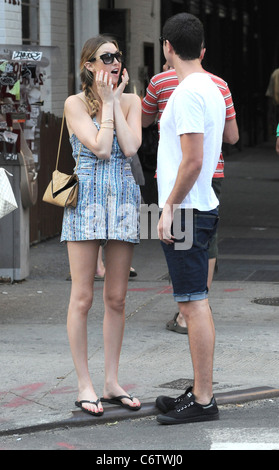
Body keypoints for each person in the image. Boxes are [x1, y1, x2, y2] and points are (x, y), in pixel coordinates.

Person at [61, 35, 142, 416]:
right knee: (83, 296)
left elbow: (129, 148)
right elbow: (101, 146)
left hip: (123, 200)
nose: (113, 62)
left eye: (116, 56)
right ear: (89, 65)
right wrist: (107, 106)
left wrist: (115, 102)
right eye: (104, 57)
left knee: (117, 298)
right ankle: (84, 384)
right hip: (86, 201)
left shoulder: (131, 101)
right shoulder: (74, 104)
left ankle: (111, 381)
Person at [155, 13, 226, 425]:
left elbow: (194, 159)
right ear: (201, 49)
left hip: (187, 211)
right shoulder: (211, 87)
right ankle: (199, 391)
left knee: (193, 304)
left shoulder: (185, 94)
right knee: (194, 299)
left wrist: (168, 208)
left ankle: (203, 400)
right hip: (199, 207)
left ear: (167, 46)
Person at [142, 61, 238, 334]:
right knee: (208, 243)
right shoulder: (219, 85)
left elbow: (143, 120)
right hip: (213, 174)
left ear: (169, 48)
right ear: (202, 51)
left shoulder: (160, 83)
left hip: (176, 178)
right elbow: (232, 136)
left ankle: (192, 308)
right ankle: (199, 304)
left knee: (180, 244)